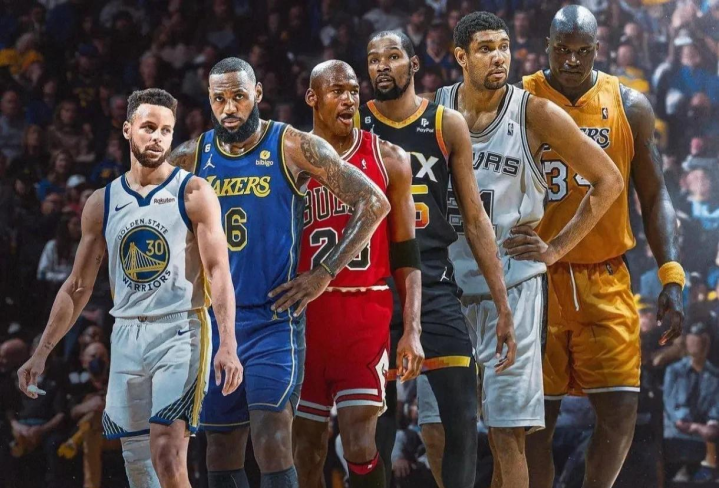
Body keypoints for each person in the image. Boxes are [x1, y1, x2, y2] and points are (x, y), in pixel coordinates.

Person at [422, 11, 623, 488]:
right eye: (486, 48)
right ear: (460, 56)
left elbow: (609, 180)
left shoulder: (534, 113)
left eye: (504, 47)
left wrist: (555, 249)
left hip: (512, 289)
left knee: (507, 436)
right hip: (445, 290)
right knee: (435, 431)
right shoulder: (433, 111)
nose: (499, 57)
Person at [168, 57, 390, 488]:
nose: (229, 107)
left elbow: (373, 201)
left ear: (257, 94)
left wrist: (324, 272)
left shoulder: (290, 145)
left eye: (238, 96)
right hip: (215, 323)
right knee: (219, 451)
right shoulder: (190, 156)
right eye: (219, 99)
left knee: (271, 439)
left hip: (273, 321)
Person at [17, 88, 242, 488]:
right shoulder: (102, 203)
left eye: (166, 131)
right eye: (149, 127)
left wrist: (228, 342)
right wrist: (41, 352)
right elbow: (77, 286)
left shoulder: (193, 193)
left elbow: (218, 271)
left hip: (181, 329)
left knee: (167, 454)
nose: (158, 137)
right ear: (127, 130)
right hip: (126, 334)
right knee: (138, 468)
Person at [520, 6, 685, 488]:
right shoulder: (518, 100)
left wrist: (671, 273)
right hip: (536, 279)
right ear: (547, 47)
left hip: (606, 275)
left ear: (598, 49)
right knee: (533, 426)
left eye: (582, 51)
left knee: (620, 414)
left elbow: (655, 194)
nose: (572, 60)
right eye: (562, 50)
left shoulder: (630, 104)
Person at [359, 30, 514, 488]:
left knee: (463, 418)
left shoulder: (446, 124)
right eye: (373, 59)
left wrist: (503, 304)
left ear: (413, 64)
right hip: (374, 289)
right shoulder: (354, 125)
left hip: (434, 287)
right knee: (376, 427)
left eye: (392, 56)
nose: (381, 66)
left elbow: (475, 219)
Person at [292, 60, 421, 488]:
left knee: (360, 440)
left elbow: (407, 253)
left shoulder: (390, 159)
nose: (349, 100)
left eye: (353, 91)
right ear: (312, 98)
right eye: (337, 91)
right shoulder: (289, 158)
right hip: (304, 316)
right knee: (306, 448)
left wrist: (412, 329)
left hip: (364, 311)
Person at [663, 321, 719, 481]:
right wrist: (692, 425)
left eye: (701, 342)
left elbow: (715, 409)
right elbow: (671, 405)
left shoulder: (715, 376)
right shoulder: (674, 371)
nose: (697, 346)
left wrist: (711, 424)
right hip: (675, 434)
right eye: (692, 341)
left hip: (702, 436)